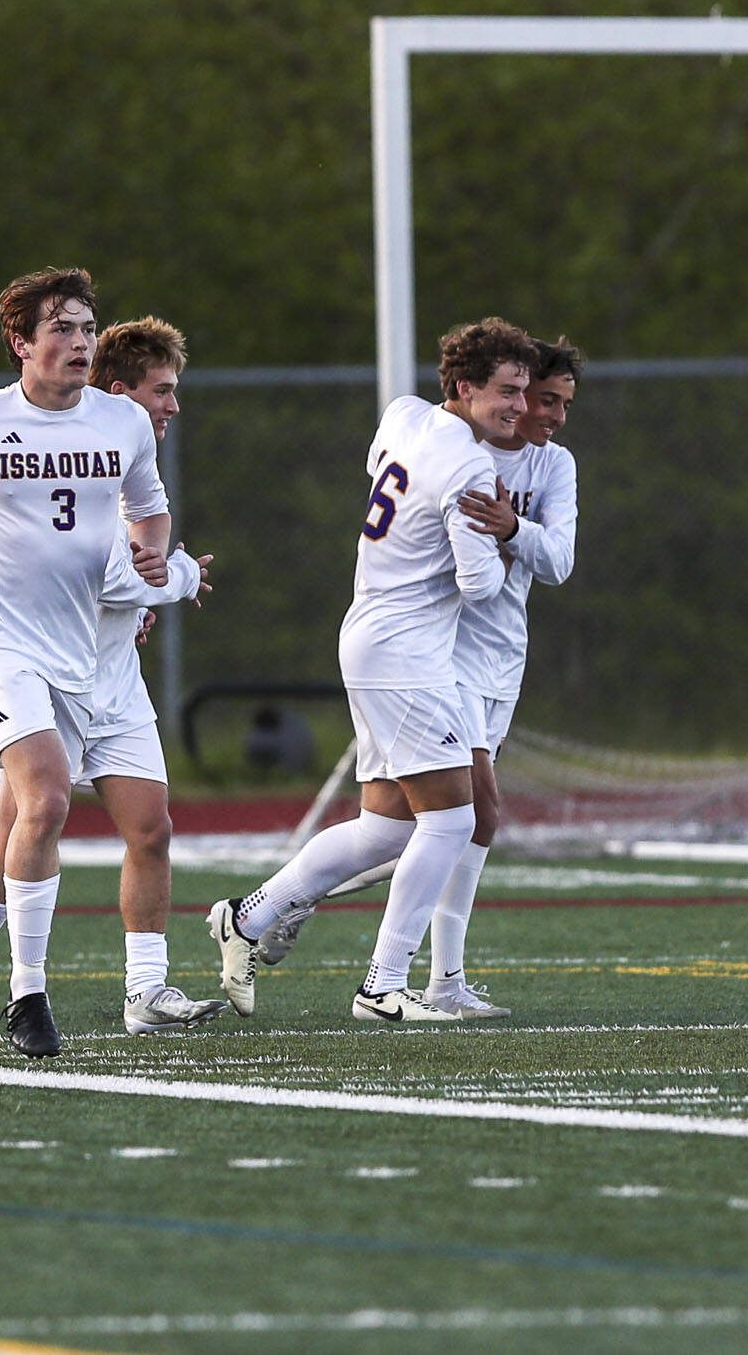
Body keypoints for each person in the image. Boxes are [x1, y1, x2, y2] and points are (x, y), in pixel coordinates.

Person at [0, 269, 186, 1061]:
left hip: (77, 650)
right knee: (45, 799)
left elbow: (147, 506)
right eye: (62, 328)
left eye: (88, 328)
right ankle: (29, 994)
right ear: (22, 342)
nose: (80, 342)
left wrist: (152, 555)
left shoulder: (120, 421)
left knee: (16, 818)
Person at [208, 318, 532, 1023]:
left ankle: (249, 915)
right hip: (406, 649)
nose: (519, 406)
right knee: (454, 817)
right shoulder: (472, 467)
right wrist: (505, 532)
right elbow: (480, 586)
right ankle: (382, 984)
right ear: (465, 386)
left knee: (386, 829)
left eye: (525, 391)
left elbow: (381, 474)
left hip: (371, 634)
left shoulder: (404, 415)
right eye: (507, 390)